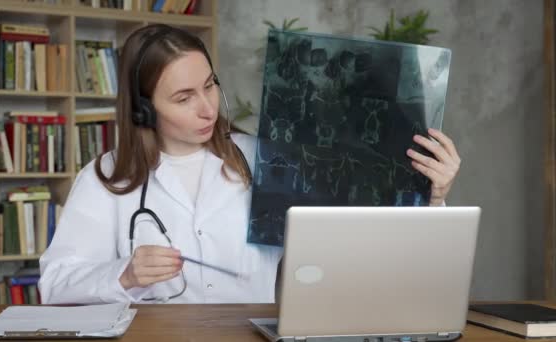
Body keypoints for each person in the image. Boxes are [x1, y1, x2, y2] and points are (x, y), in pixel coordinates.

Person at [38, 24, 461, 305]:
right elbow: (55, 284)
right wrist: (124, 275)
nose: (207, 109)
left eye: (209, 86)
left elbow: (364, 247)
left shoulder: (268, 157)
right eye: (184, 98)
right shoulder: (107, 178)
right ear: (144, 110)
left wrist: (429, 196)